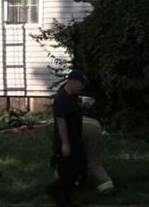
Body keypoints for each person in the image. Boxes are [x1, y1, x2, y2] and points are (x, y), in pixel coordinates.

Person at [51, 70, 88, 206]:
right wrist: (65, 143)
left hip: (76, 139)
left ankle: (61, 193)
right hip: (66, 141)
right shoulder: (61, 98)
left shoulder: (73, 96)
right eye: (81, 84)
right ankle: (62, 200)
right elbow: (61, 121)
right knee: (67, 173)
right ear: (72, 82)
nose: (82, 87)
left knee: (79, 168)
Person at [79, 96, 114, 195]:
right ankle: (106, 187)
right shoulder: (94, 112)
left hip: (75, 131)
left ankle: (75, 184)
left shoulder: (73, 107)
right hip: (94, 130)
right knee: (94, 162)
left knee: (73, 159)